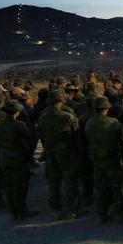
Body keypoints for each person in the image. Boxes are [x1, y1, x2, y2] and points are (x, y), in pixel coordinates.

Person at [37, 89, 82, 219]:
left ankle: (55, 204)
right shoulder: (68, 117)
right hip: (66, 153)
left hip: (50, 152)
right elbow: (76, 136)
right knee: (69, 179)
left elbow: (41, 136)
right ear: (60, 101)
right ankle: (71, 207)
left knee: (54, 179)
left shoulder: (42, 117)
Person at [0, 100, 38, 219]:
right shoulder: (19, 125)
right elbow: (29, 138)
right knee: (20, 185)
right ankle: (22, 211)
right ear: (17, 112)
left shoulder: (0, 124)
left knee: (9, 184)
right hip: (18, 157)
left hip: (4, 156)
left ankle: (12, 209)